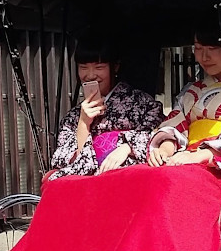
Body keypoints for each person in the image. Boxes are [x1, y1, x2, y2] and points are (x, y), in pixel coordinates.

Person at [147, 29, 221, 170]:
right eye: (198, 48)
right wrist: (165, 148)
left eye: (212, 48)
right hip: (184, 158)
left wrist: (204, 154)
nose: (204, 57)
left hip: (220, 165)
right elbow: (175, 124)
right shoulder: (191, 90)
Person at [48, 35, 164, 179]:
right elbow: (62, 162)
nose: (90, 75)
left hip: (130, 179)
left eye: (99, 67)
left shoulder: (144, 104)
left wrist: (127, 147)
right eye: (83, 67)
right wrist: (83, 123)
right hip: (89, 184)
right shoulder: (73, 116)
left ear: (115, 67)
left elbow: (159, 136)